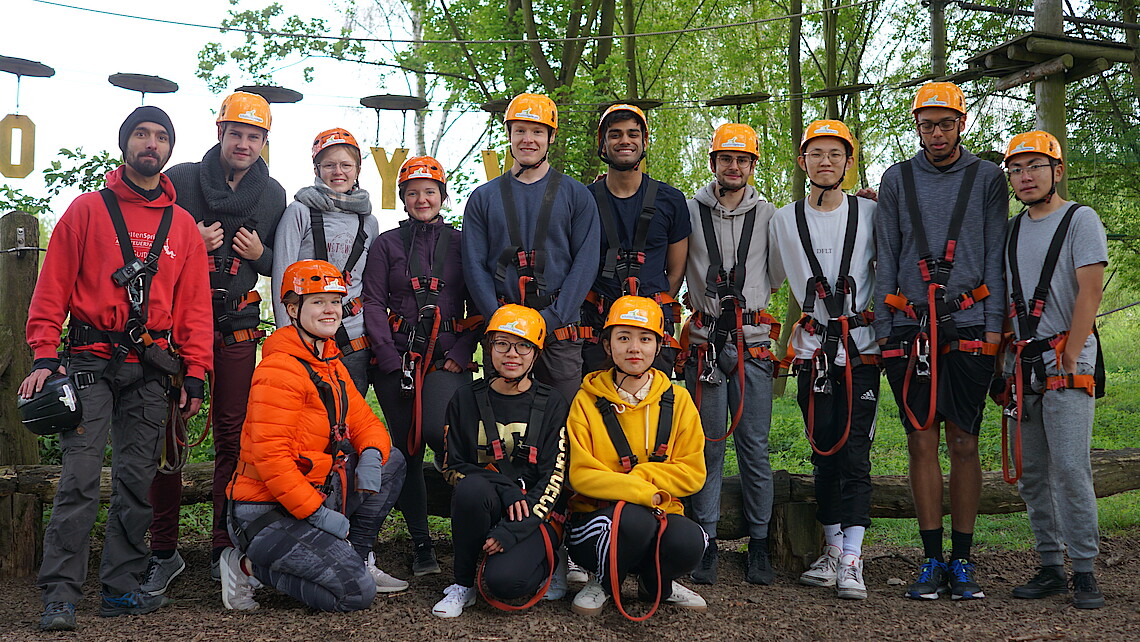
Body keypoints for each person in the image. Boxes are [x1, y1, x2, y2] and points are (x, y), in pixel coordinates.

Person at [22, 106, 212, 632]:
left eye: (160, 137)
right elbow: (51, 289)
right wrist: (43, 355)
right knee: (79, 478)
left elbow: (194, 307)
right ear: (125, 143)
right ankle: (59, 593)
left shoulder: (185, 229)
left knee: (136, 480)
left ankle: (120, 589)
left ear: (170, 150)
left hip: (152, 368)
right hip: (88, 361)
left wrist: (195, 373)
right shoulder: (87, 211)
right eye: (141, 134)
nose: (150, 144)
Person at [143, 91, 287, 594]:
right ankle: (163, 548)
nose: (244, 143)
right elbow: (146, 244)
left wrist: (262, 252)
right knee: (168, 433)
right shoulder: (180, 180)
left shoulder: (273, 195)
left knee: (232, 435)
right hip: (178, 325)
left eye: (254, 136)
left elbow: (280, 265)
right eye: (236, 133)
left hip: (236, 327)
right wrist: (186, 241)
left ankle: (223, 542)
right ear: (220, 133)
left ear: (265, 140)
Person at [874, 81, 1007, 600]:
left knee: (964, 442)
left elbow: (994, 254)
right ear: (917, 127)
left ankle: (964, 560)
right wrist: (887, 333)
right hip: (910, 328)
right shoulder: (896, 180)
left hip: (970, 324)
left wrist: (995, 331)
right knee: (921, 440)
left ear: (962, 125)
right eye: (927, 124)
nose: (936, 133)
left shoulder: (988, 179)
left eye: (945, 123)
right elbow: (887, 256)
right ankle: (931, 560)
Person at [221, 259, 407, 612]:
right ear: (292, 308)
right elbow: (272, 459)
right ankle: (248, 568)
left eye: (335, 301)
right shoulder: (279, 369)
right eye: (318, 301)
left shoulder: (329, 362)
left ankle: (356, 555)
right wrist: (318, 515)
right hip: (265, 512)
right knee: (356, 594)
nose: (330, 310)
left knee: (391, 461)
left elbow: (366, 421)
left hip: (314, 494)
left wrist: (369, 455)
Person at [272, 128, 407, 589]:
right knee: (311, 442)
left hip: (352, 341)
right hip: (309, 340)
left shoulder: (368, 221)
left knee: (350, 438)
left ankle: (356, 547)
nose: (337, 171)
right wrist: (291, 340)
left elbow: (368, 286)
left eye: (345, 163)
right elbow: (283, 277)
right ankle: (311, 537)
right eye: (329, 164)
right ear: (317, 169)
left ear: (357, 169)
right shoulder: (299, 212)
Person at [769, 120, 878, 600]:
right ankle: (832, 548)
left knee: (855, 451)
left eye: (836, 153)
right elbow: (764, 275)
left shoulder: (872, 214)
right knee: (824, 450)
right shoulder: (782, 220)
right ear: (802, 161)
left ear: (849, 162)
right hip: (813, 351)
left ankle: (853, 557)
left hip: (861, 348)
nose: (826, 161)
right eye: (817, 154)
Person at [999, 131, 1107, 609]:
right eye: (1017, 170)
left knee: (1069, 467)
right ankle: (1049, 565)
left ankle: (1083, 570)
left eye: (1034, 167)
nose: (1025, 176)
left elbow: (1091, 291)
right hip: (1021, 362)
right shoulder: (1011, 230)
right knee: (1032, 471)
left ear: (1056, 171)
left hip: (1068, 357)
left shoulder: (1080, 220)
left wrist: (1071, 353)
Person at [363, 156, 480, 577]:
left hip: (446, 360)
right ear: (404, 199)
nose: (422, 199)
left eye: (429, 191)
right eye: (413, 192)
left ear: (442, 196)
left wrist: (462, 353)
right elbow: (373, 302)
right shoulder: (387, 245)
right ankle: (421, 543)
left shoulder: (464, 242)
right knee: (407, 450)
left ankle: (473, 527)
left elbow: (480, 303)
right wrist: (390, 358)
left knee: (439, 434)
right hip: (398, 359)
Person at [565, 296, 707, 618]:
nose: (634, 348)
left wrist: (640, 480)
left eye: (645, 339)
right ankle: (603, 580)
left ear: (658, 346)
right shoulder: (585, 401)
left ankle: (656, 585)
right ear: (607, 345)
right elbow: (581, 474)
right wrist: (643, 492)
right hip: (596, 520)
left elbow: (693, 472)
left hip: (658, 513)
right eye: (623, 338)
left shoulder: (679, 401)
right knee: (634, 519)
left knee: (689, 540)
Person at [682, 123, 779, 585]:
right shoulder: (688, 212)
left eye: (742, 160)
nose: (734, 167)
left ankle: (759, 542)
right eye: (726, 159)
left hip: (753, 344)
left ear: (753, 166)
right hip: (704, 348)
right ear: (713, 163)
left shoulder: (770, 216)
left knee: (754, 447)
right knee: (708, 445)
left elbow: (776, 274)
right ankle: (706, 540)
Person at [431, 305, 570, 617]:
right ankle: (463, 584)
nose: (512, 354)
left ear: (536, 354)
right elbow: (453, 467)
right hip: (487, 502)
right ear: (488, 346)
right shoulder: (465, 399)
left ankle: (548, 558)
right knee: (471, 489)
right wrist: (506, 488)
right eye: (502, 344)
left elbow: (554, 480)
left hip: (535, 512)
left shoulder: (553, 403)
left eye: (523, 346)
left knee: (506, 584)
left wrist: (513, 531)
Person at [461, 92, 601, 404]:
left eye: (537, 131)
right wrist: (498, 318)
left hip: (559, 330)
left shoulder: (577, 196)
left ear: (551, 137)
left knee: (561, 421)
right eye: (520, 130)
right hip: (503, 329)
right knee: (501, 418)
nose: (528, 139)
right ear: (508, 134)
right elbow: (474, 265)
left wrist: (553, 317)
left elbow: (585, 263)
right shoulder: (483, 198)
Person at [581, 103, 690, 374]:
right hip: (598, 325)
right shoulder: (584, 200)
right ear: (603, 144)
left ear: (644, 141)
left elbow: (676, 270)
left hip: (652, 325)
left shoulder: (671, 200)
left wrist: (651, 308)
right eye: (615, 134)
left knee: (654, 408)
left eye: (633, 133)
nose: (625, 141)